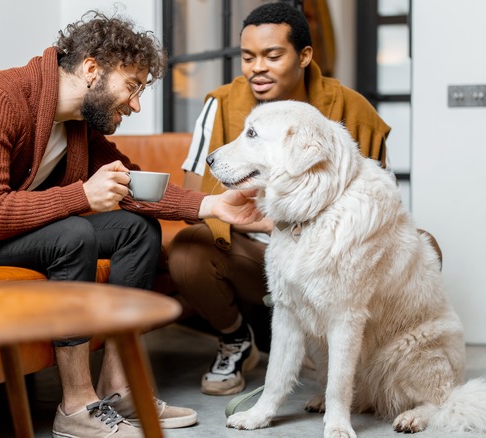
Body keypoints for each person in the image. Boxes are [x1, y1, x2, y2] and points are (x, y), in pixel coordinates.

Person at [0, 10, 261, 438]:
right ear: (92, 68)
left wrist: (213, 205)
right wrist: (80, 195)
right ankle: (75, 406)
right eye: (132, 87)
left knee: (135, 228)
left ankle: (121, 388)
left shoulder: (78, 125)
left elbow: (132, 186)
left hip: (10, 233)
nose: (135, 104)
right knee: (73, 233)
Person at [167, 1, 392, 397]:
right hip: (255, 257)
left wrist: (306, 221)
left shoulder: (353, 110)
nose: (257, 68)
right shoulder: (220, 104)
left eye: (272, 55)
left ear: (305, 55)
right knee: (187, 251)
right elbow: (196, 196)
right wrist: (264, 219)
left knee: (425, 247)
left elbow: (378, 201)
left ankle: (347, 349)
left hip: (336, 258)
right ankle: (235, 339)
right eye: (248, 57)